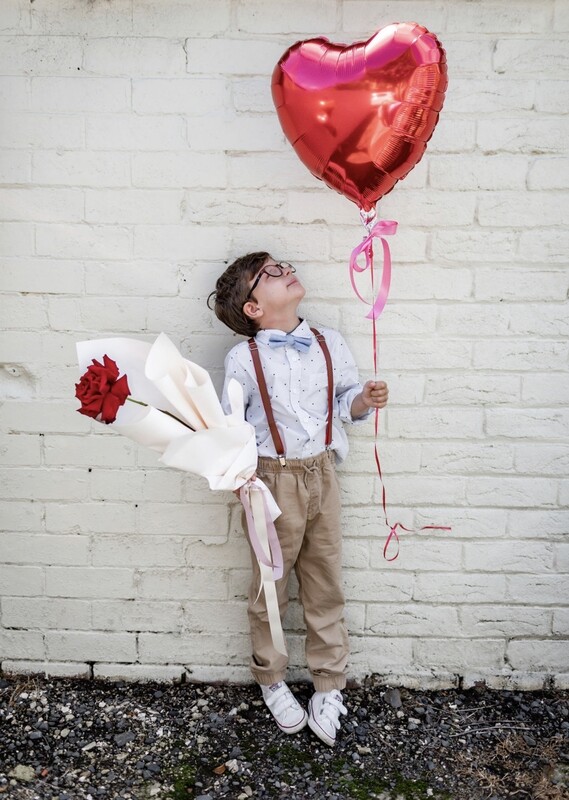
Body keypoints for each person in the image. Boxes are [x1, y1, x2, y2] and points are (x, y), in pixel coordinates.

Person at [208, 252, 388, 746]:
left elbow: (343, 405)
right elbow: (233, 425)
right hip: (271, 478)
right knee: (271, 585)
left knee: (325, 581)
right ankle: (271, 678)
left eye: (282, 265)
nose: (285, 270)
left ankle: (329, 685)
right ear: (253, 308)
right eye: (270, 273)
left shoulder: (329, 342)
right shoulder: (242, 359)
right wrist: (242, 476)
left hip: (323, 473)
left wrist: (363, 400)